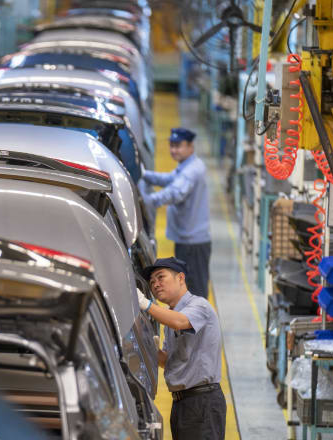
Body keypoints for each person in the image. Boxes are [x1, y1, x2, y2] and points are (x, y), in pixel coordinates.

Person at [137, 257, 225, 440]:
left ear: (180, 278)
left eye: (161, 277)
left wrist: (147, 305)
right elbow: (168, 361)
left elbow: (180, 322)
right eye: (152, 282)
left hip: (203, 403)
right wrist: (150, 348)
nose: (155, 284)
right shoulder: (170, 319)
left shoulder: (198, 306)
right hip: (182, 403)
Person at [140, 127, 211, 297]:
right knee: (188, 287)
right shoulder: (188, 166)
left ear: (190, 146)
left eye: (178, 146)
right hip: (187, 239)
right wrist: (144, 174)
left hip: (192, 243)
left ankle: (197, 323)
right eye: (172, 146)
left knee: (195, 290)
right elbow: (169, 179)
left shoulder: (191, 171)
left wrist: (148, 201)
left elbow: (175, 192)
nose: (173, 150)